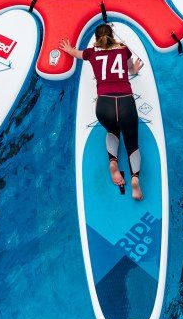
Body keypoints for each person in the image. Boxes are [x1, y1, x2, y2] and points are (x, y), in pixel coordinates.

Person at [61, 23, 147, 200]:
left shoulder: (91, 53)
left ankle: (113, 163)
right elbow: (130, 69)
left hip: (104, 105)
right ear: (112, 36)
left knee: (112, 130)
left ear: (96, 39)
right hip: (126, 102)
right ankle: (135, 181)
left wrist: (68, 49)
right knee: (132, 144)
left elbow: (77, 53)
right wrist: (135, 69)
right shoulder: (123, 49)